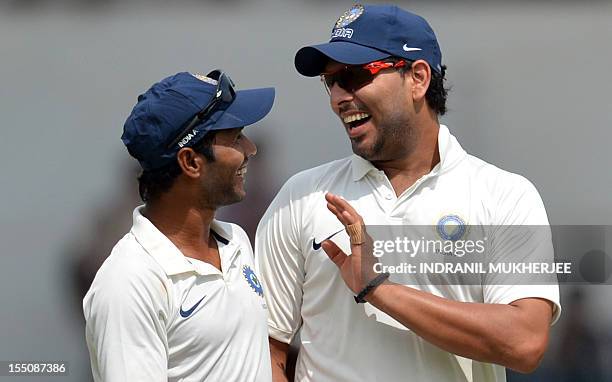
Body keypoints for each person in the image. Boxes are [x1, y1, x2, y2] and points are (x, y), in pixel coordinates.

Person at [255, 4, 560, 382]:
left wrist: (378, 289)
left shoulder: (504, 195)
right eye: (329, 81)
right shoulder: (301, 196)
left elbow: (525, 342)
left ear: (417, 77)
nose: (337, 97)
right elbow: (267, 349)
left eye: (353, 75)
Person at [83, 70, 275, 381]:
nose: (250, 149)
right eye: (236, 136)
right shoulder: (129, 283)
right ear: (190, 162)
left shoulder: (236, 242)